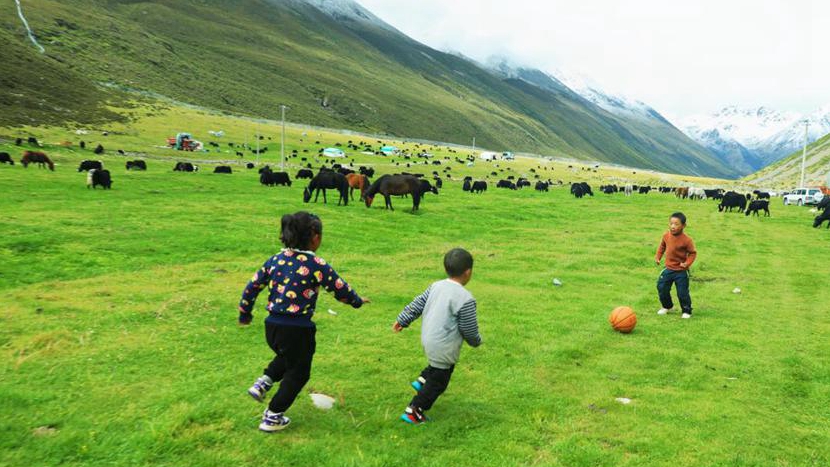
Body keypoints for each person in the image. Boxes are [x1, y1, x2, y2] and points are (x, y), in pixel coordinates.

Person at [239, 211, 368, 432]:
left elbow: (252, 286)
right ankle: (273, 416)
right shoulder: (316, 263)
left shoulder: (275, 259)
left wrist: (245, 313)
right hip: (298, 328)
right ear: (315, 237)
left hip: (272, 326)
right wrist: (357, 301)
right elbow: (339, 288)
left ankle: (264, 382)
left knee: (287, 355)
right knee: (299, 373)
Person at [393, 248, 482, 424]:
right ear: (468, 272)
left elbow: (417, 303)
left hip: (429, 338)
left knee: (441, 366)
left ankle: (422, 379)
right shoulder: (465, 298)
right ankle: (414, 410)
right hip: (444, 344)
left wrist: (403, 319)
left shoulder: (436, 286)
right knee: (439, 382)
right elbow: (468, 328)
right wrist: (476, 340)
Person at [654, 212, 697, 319]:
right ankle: (667, 306)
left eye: (676, 224)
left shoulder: (687, 240)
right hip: (668, 269)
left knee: (682, 292)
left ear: (683, 226)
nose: (673, 226)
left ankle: (687, 310)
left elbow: (693, 253)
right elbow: (662, 246)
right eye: (671, 223)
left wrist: (687, 263)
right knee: (661, 287)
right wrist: (658, 257)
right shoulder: (666, 235)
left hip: (681, 271)